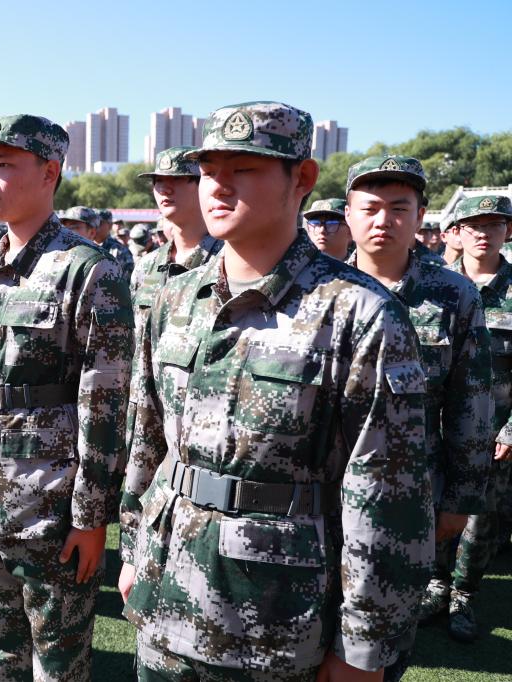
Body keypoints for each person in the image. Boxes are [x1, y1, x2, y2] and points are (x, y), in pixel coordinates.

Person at [121, 101, 434, 682]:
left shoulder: (358, 313)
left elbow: (386, 497)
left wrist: (363, 647)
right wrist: (134, 547)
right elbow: (148, 442)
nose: (219, 186)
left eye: (244, 169)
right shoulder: (175, 299)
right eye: (208, 170)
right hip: (165, 597)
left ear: (302, 178)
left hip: (278, 621)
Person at [0, 114, 132, 681]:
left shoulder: (88, 271)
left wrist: (91, 517)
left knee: (58, 665)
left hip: (50, 508)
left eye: (5, 164)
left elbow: (106, 403)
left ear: (50, 172)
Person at [345, 154, 492, 680]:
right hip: (316, 494)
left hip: (409, 498)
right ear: (348, 214)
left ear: (421, 216)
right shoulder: (318, 288)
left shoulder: (453, 295)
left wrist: (460, 499)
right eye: (370, 208)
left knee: (383, 642)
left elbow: (471, 404)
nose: (383, 220)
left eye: (398, 208)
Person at [120, 147, 221, 551]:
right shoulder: (147, 266)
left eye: (178, 181)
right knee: (137, 516)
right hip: (144, 414)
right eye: (158, 182)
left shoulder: (224, 262)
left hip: (196, 423)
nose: (165, 189)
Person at [427, 194, 512, 643]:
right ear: (456, 232)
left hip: (494, 431)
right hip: (437, 426)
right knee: (434, 505)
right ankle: (435, 584)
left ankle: (463, 594)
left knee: (480, 519)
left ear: (507, 232)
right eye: (474, 225)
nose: (484, 233)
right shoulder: (435, 285)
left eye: (494, 224)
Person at [95, 208, 134, 274]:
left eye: (100, 223)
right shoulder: (85, 245)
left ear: (110, 226)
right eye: (93, 223)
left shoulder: (120, 250)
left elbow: (126, 277)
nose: (95, 226)